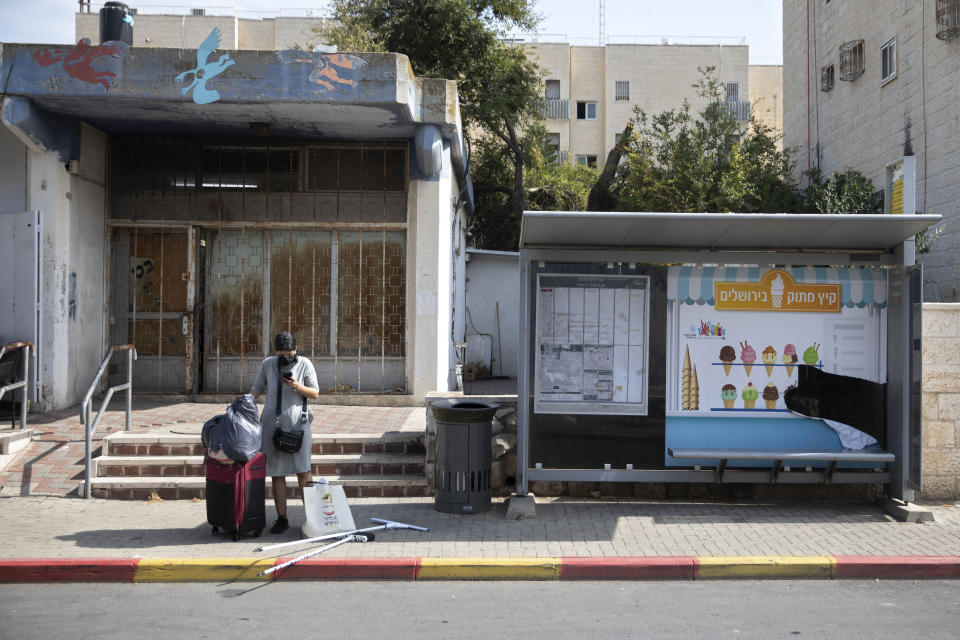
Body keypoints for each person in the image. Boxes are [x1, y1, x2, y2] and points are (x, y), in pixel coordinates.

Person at [250, 331, 320, 534]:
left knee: (303, 471)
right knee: (276, 472)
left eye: (289, 354)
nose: (286, 358)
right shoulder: (268, 364)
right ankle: (282, 518)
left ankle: (313, 518)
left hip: (300, 424)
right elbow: (257, 388)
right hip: (273, 425)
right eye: (282, 354)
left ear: (296, 350)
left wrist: (297, 386)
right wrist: (245, 401)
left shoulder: (305, 364)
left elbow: (315, 393)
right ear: (276, 352)